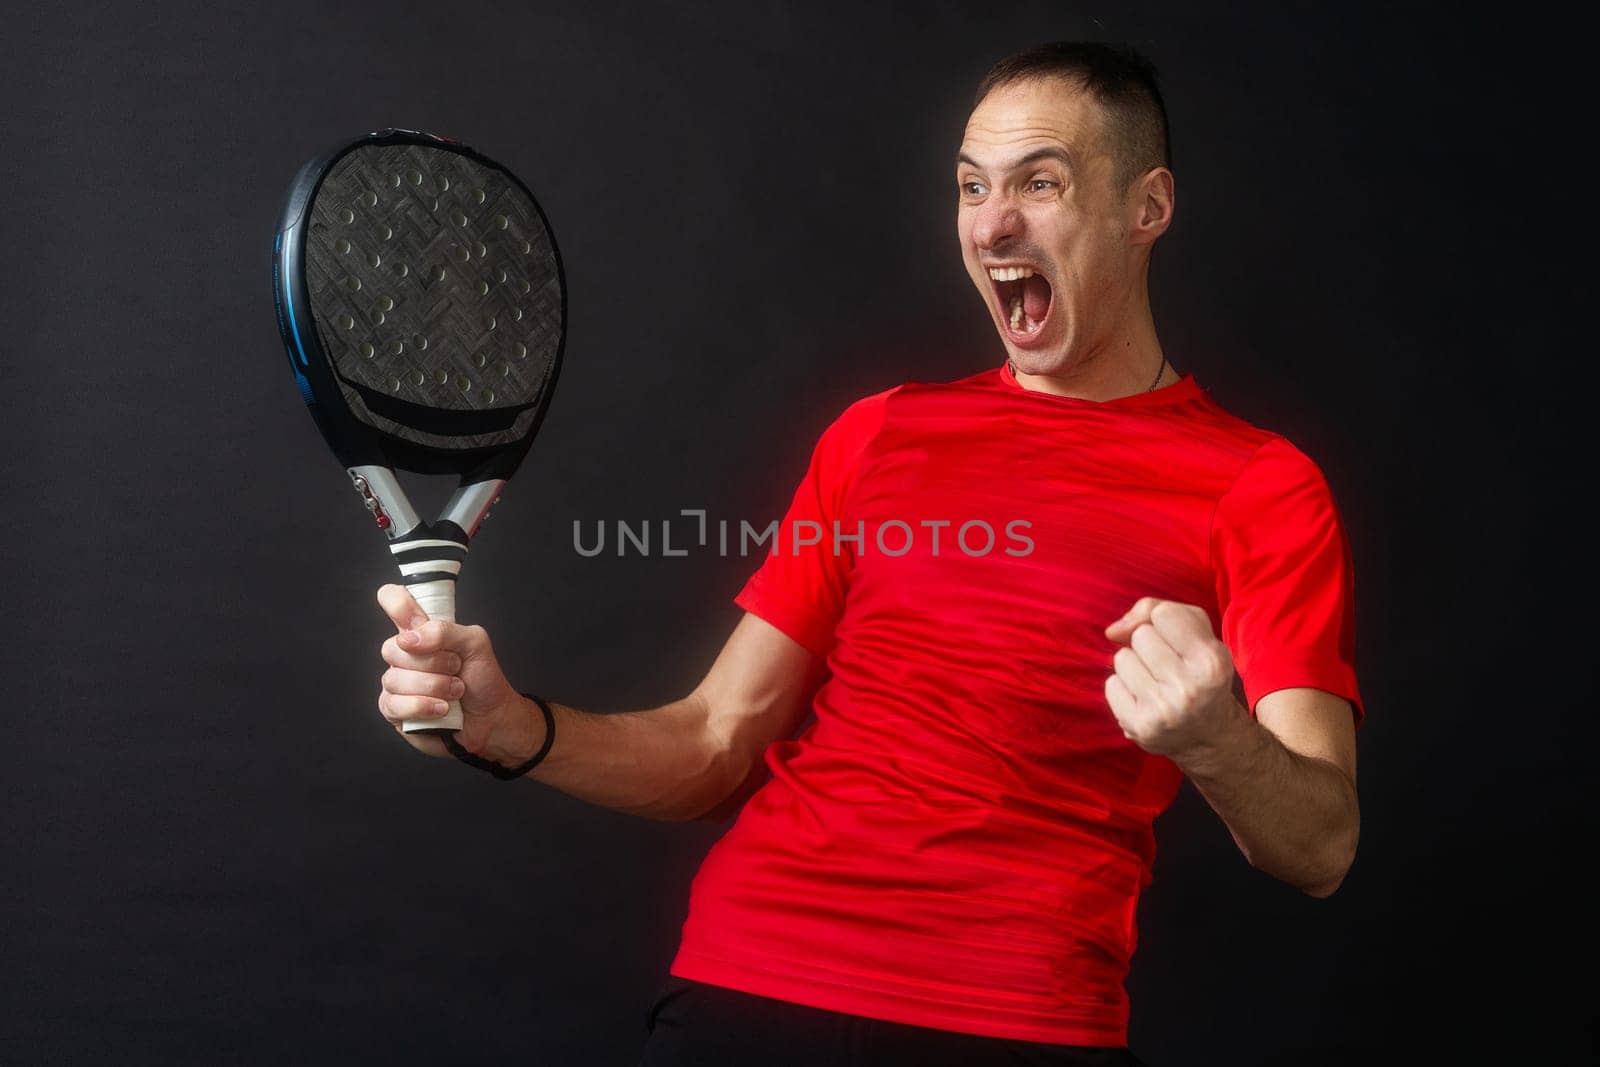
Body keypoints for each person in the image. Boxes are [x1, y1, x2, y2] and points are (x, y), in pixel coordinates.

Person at [373, 41, 1362, 1067]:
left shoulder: (1258, 482)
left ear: (1146, 206)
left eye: (1040, 181)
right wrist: (506, 724)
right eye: (971, 187)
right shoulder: (880, 432)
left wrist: (1215, 736)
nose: (992, 222)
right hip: (749, 978)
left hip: (1017, 1012)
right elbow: (716, 736)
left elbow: (1322, 847)